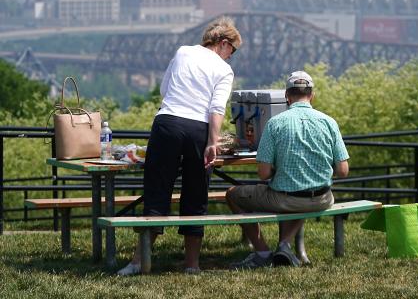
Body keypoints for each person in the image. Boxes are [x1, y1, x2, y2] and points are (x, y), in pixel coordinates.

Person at [117, 16, 241, 276]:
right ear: (223, 42)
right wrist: (212, 143)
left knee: (156, 192)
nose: (231, 56)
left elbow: (164, 89)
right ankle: (192, 265)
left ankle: (139, 262)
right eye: (233, 50)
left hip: (168, 123)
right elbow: (216, 109)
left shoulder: (183, 52)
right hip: (198, 130)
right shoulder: (224, 69)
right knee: (196, 195)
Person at [225, 70, 350, 269]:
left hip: (285, 199)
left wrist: (279, 169)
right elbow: (343, 170)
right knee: (299, 186)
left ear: (286, 96)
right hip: (322, 199)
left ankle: (262, 251)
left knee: (232, 194)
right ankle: (284, 246)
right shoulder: (329, 122)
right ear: (312, 95)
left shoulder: (275, 123)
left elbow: (263, 174)